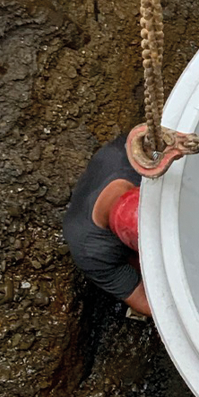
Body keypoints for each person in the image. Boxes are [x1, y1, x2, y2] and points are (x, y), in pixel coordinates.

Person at [63, 134, 149, 316]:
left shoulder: (137, 154)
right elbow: (140, 297)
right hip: (114, 248)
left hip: (112, 160)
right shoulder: (89, 248)